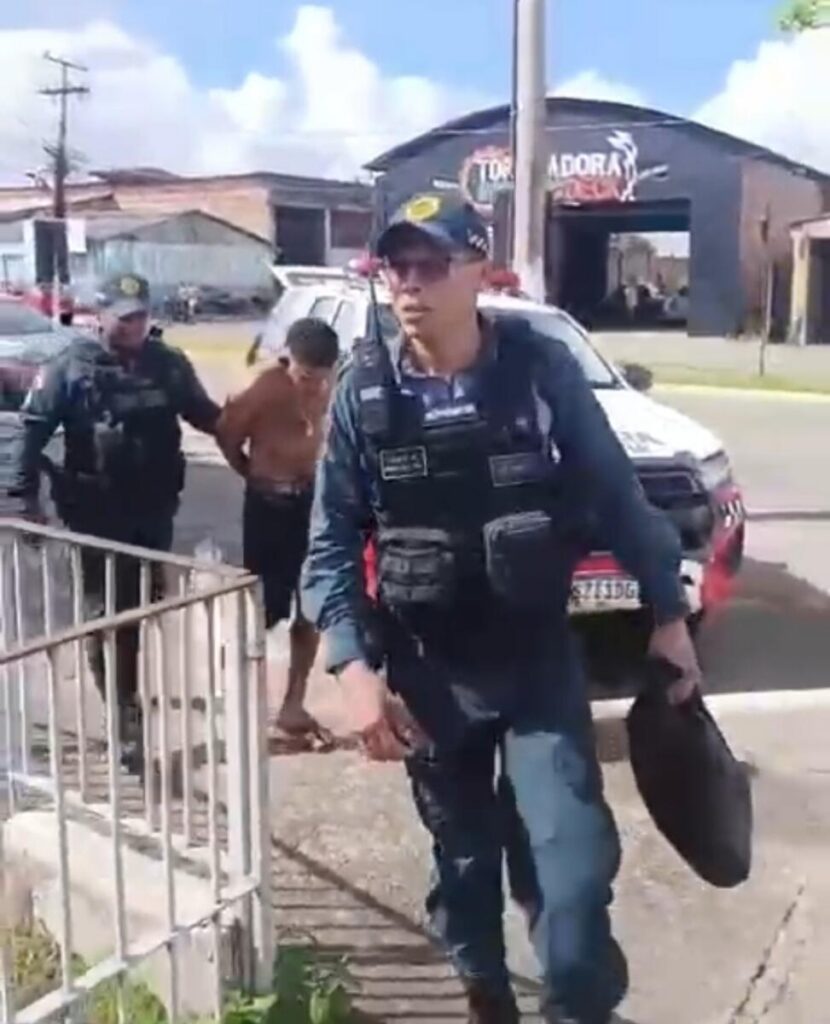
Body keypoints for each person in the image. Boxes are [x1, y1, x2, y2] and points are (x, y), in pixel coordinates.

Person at [301, 193, 702, 1024]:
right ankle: (483, 985)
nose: (409, 285)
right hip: (429, 672)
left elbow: (614, 493)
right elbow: (330, 542)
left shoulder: (539, 370)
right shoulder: (365, 391)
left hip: (535, 666)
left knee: (572, 868)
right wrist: (352, 667)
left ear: (479, 270)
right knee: (465, 860)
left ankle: (579, 1006)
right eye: (396, 267)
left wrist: (668, 612)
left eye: (431, 264)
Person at [7, 273, 221, 773]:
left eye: (140, 316)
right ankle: (124, 719)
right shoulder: (70, 366)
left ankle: (126, 698)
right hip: (95, 514)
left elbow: (206, 415)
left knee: (140, 611)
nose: (133, 326)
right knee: (107, 615)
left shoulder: (167, 364)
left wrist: (257, 435)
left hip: (154, 511)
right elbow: (32, 432)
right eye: (123, 318)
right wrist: (23, 499)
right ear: (99, 315)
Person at [216, 317, 339, 750]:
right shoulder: (262, 387)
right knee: (262, 611)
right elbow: (227, 436)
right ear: (290, 361)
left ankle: (293, 703)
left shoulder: (335, 385)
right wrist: (254, 475)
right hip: (268, 505)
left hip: (312, 502)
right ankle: (237, 699)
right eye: (307, 378)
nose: (315, 387)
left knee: (312, 606)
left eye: (322, 378)